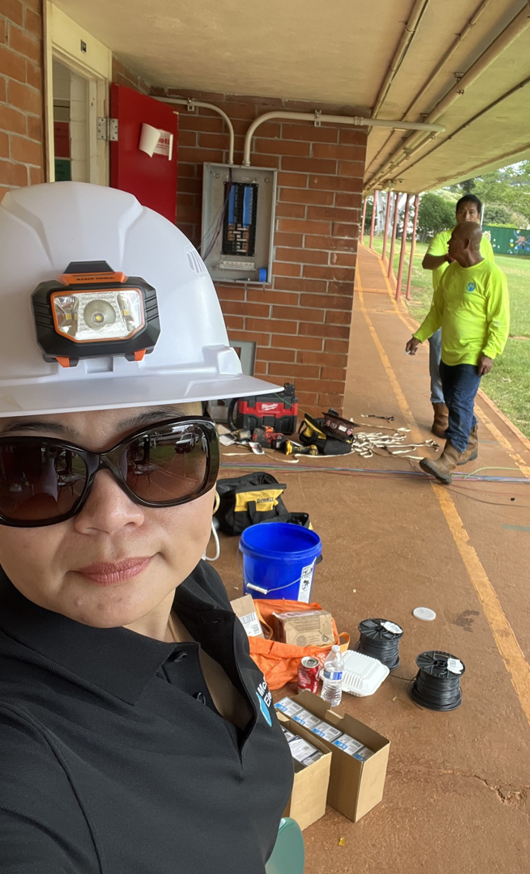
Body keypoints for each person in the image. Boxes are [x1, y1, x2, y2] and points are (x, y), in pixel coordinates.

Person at [0, 182, 294, 873]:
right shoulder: (23, 770)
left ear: (212, 464)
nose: (111, 516)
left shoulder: (194, 588)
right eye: (34, 469)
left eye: (160, 453)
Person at [406, 222, 509, 484]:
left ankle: (450, 458)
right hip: (449, 352)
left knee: (460, 401)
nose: (448, 242)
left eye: (452, 239)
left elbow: (500, 319)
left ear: (466, 244)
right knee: (453, 401)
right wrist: (419, 336)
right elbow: (438, 311)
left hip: (473, 354)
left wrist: (490, 352)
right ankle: (471, 441)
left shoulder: (491, 275)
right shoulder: (450, 272)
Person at [421, 194, 495, 437]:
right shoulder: (445, 242)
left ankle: (458, 442)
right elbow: (427, 263)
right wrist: (444, 257)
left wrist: (490, 349)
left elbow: (490, 284)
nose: (466, 216)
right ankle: (444, 415)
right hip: (444, 315)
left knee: (462, 388)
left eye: (472, 212)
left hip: (472, 329)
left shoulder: (484, 247)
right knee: (442, 373)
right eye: (462, 211)